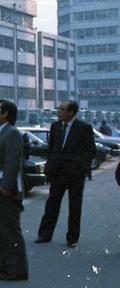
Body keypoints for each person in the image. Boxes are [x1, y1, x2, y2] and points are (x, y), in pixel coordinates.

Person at [36, 100, 96, 247]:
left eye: (62, 109)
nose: (59, 111)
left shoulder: (83, 128)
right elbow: (52, 149)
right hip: (57, 173)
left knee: (74, 206)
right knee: (52, 204)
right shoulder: (55, 126)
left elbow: (90, 150)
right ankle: (45, 235)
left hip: (75, 174)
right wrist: (50, 166)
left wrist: (81, 167)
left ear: (71, 112)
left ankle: (72, 238)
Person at [0, 99, 29, 281]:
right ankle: (0, 264)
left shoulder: (12, 134)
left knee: (9, 230)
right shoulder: (1, 133)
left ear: (5, 114)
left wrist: (7, 186)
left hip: (5, 190)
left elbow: (12, 162)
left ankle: (17, 269)